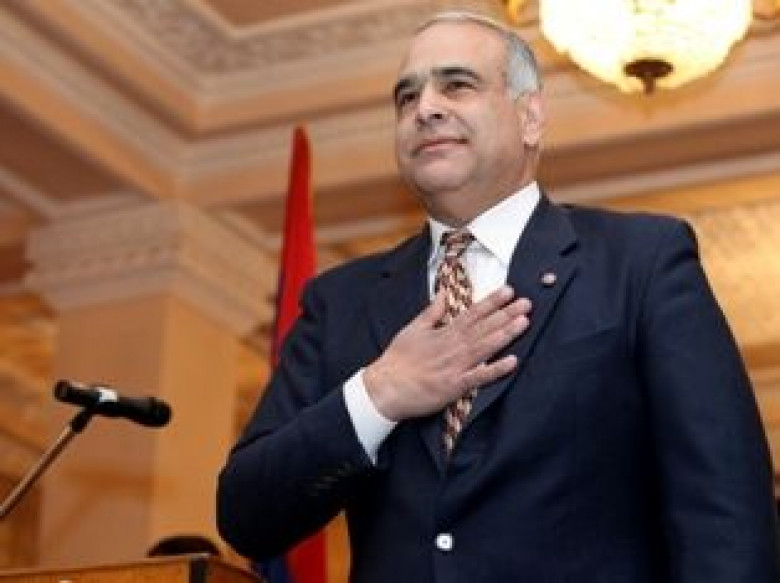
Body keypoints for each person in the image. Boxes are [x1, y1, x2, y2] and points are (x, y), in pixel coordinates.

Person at [217, 11, 780, 582]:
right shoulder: (340, 301)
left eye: (457, 85)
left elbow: (726, 511)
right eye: (407, 97)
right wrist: (380, 393)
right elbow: (245, 514)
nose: (425, 108)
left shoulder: (640, 260)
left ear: (530, 118)